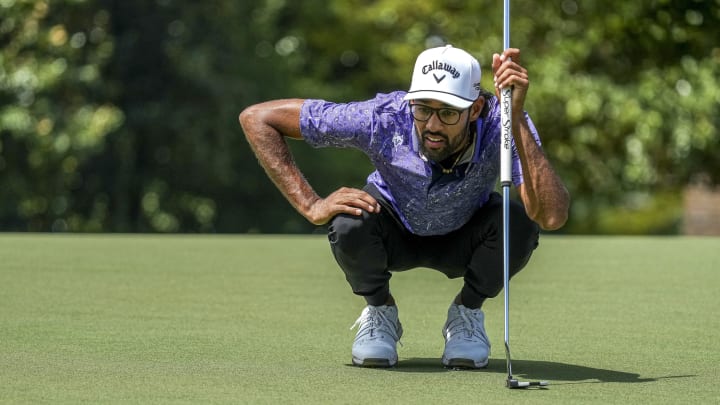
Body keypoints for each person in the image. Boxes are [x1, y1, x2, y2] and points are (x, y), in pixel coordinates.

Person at [239, 44, 569, 368]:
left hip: (466, 235)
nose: (433, 125)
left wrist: (517, 118)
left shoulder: (503, 124)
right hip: (393, 229)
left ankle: (466, 315)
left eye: (449, 112)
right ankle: (380, 312)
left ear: (477, 109)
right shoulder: (383, 117)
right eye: (423, 109)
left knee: (520, 222)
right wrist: (310, 204)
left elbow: (551, 215)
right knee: (348, 221)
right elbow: (258, 119)